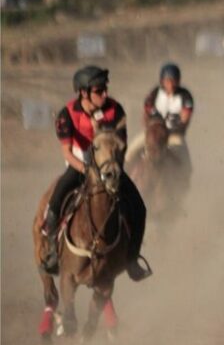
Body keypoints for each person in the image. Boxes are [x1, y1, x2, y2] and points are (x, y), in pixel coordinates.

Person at [41, 66, 150, 281]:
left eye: (105, 89)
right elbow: (66, 151)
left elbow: (121, 145)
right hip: (79, 165)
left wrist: (109, 165)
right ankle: (53, 252)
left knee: (139, 208)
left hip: (109, 166)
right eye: (99, 91)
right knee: (55, 204)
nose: (105, 94)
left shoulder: (115, 110)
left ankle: (132, 260)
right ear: (84, 92)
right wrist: (86, 169)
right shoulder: (66, 115)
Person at [125, 63, 194, 182]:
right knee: (130, 152)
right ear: (162, 81)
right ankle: (125, 180)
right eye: (168, 81)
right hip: (154, 133)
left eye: (173, 80)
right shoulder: (154, 93)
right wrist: (150, 130)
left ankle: (183, 185)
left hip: (174, 135)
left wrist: (170, 129)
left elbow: (185, 118)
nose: (171, 84)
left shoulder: (185, 96)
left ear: (178, 81)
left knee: (186, 163)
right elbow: (145, 114)